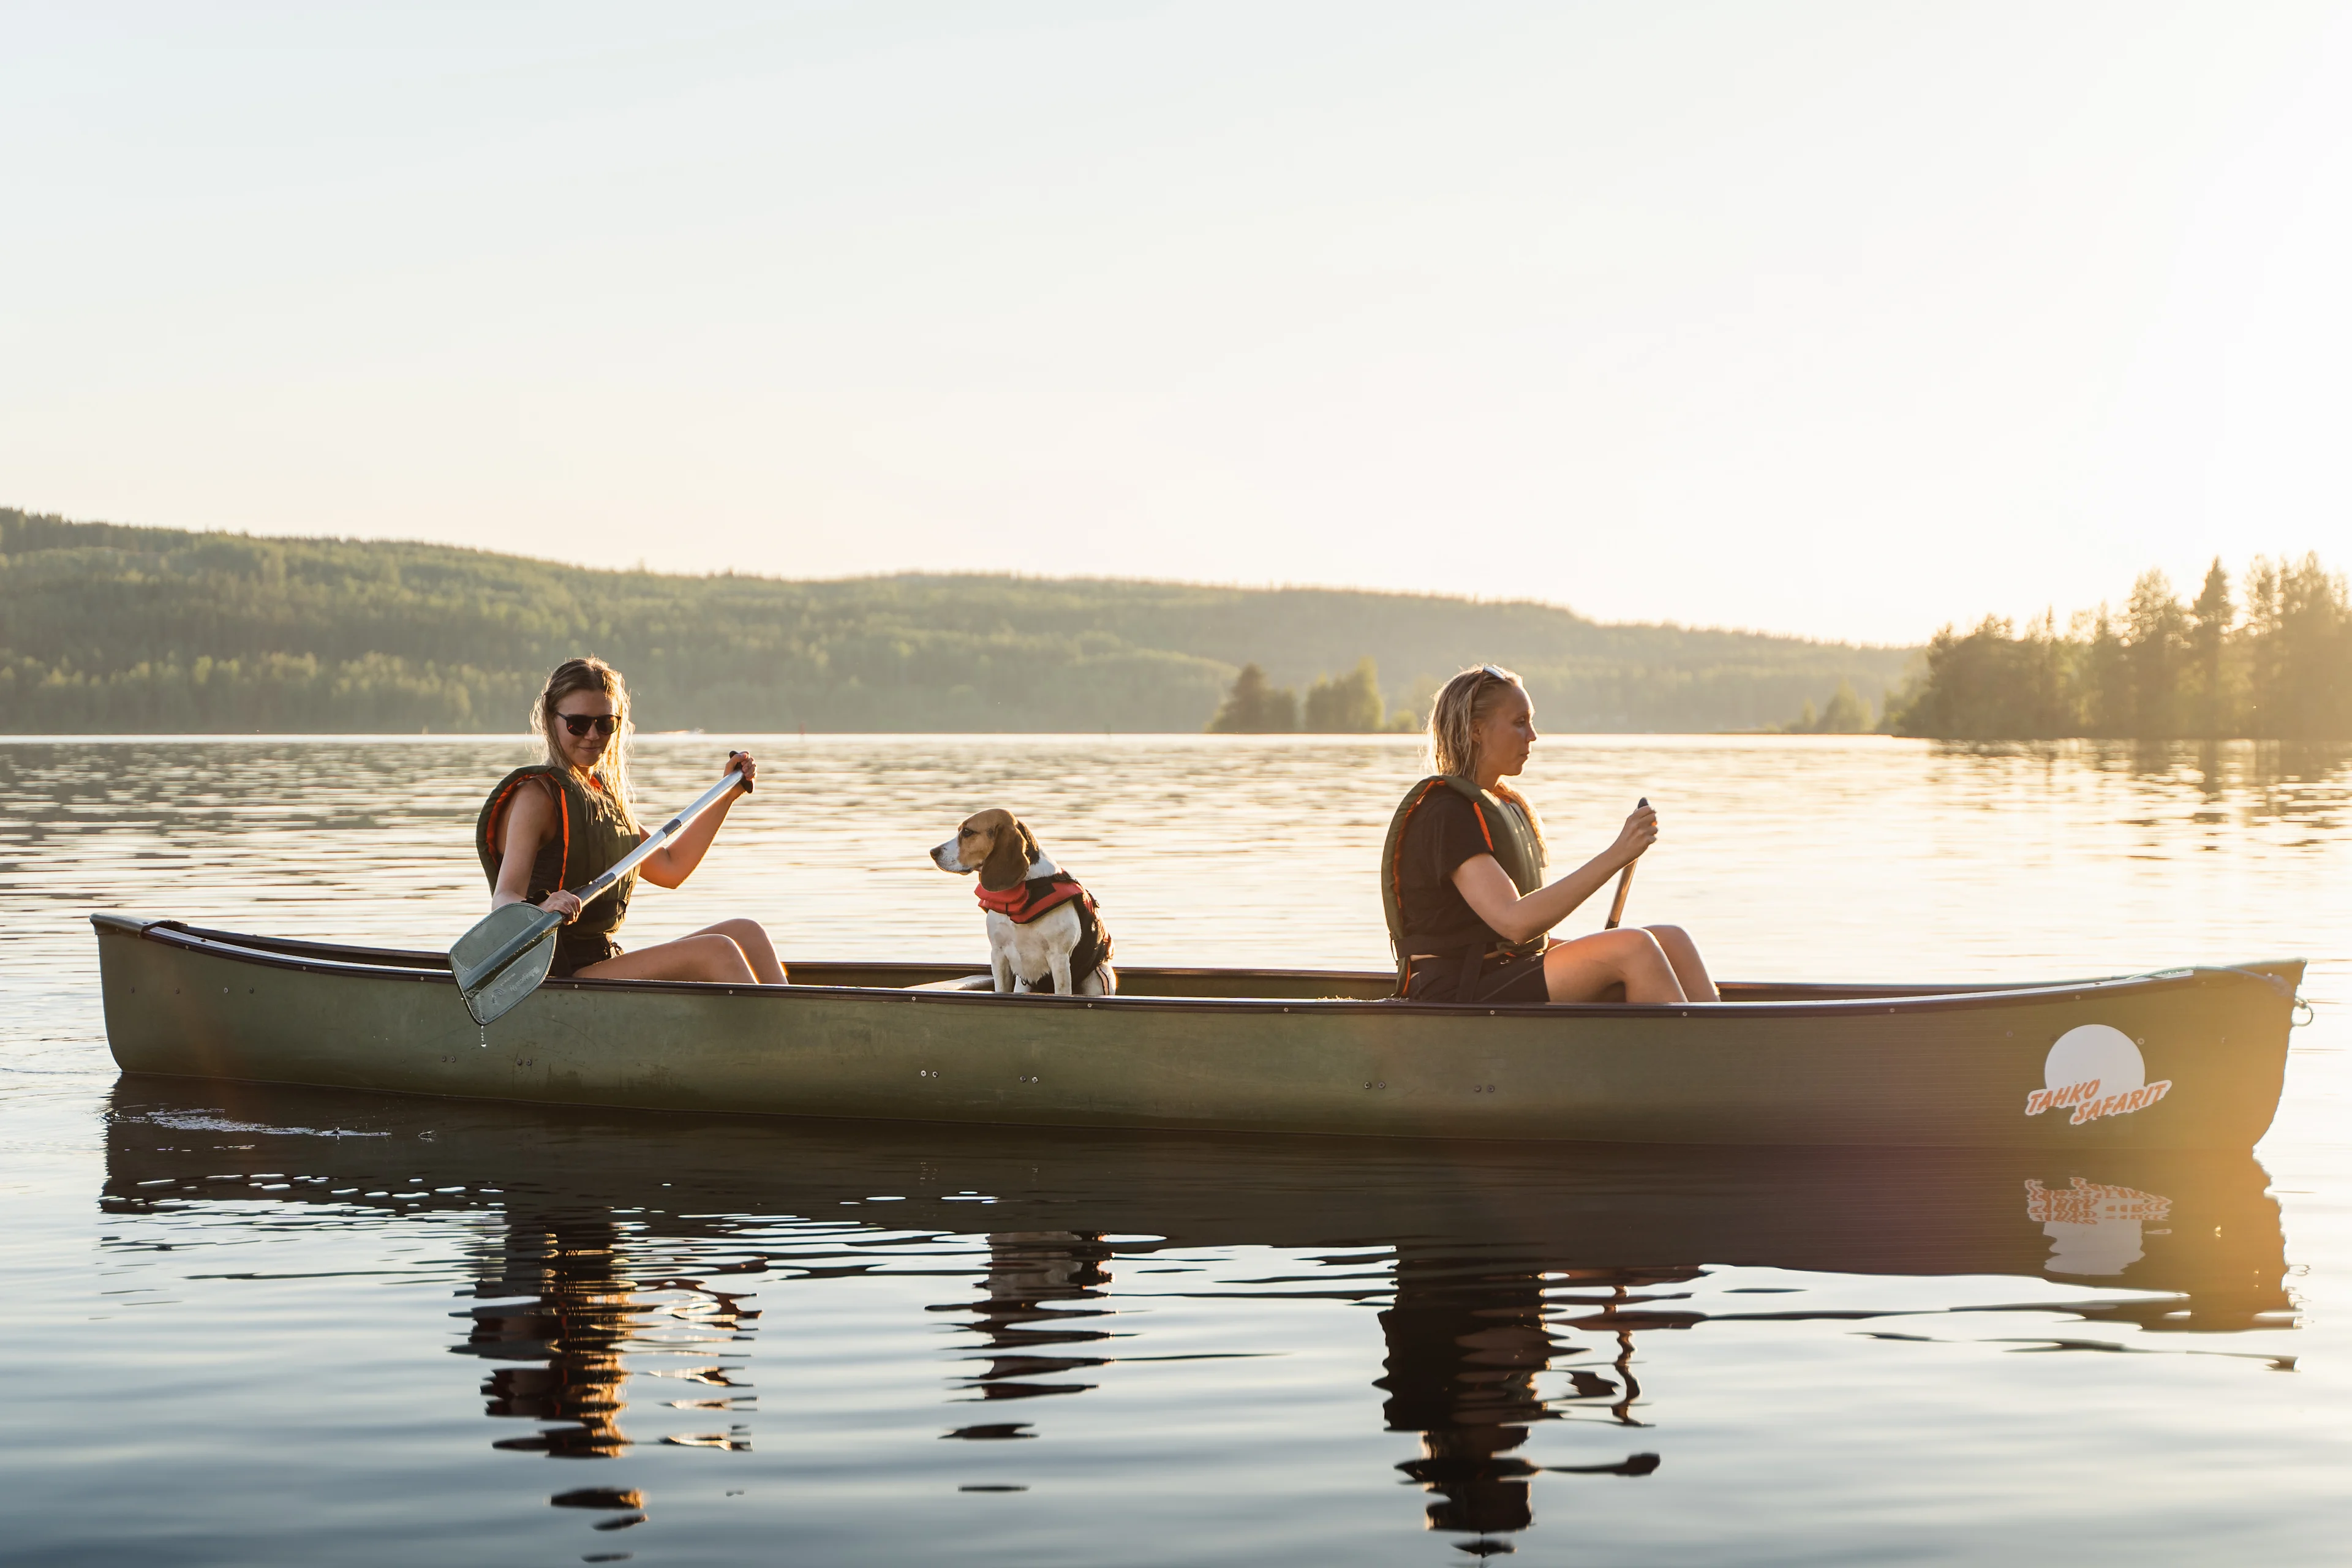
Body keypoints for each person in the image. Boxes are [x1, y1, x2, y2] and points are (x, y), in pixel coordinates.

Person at [1380, 663, 1717, 1005]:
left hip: (1502, 970)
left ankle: (1727, 1052)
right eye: (1519, 722)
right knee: (1634, 948)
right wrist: (1618, 854)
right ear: (1476, 730)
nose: (1532, 736)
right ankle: (1695, 1056)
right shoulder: (1445, 813)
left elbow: (1514, 937)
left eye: (1530, 722)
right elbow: (1514, 923)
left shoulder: (1498, 804)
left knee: (1673, 941)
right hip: (1457, 990)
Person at [476, 657, 785, 985]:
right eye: (578, 724)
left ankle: (795, 1031)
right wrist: (544, 905)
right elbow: (504, 898)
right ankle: (777, 1034)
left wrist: (728, 794)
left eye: (605, 723)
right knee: (719, 951)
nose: (593, 735)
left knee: (746, 933)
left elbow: (671, 868)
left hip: (602, 960)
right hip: (554, 970)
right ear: (552, 720)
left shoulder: (603, 800)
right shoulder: (537, 798)